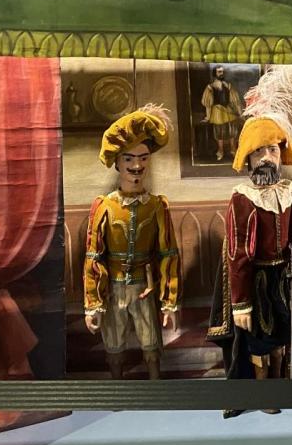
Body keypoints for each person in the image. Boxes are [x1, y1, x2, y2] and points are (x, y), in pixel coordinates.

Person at [207, 66, 292, 414]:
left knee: (282, 333)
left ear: (281, 153)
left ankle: (279, 383)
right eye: (260, 152)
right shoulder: (242, 198)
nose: (267, 158)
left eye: (272, 150)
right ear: (249, 159)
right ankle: (260, 392)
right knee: (257, 337)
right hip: (252, 280)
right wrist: (240, 303)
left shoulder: (289, 191)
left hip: (282, 276)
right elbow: (239, 253)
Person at [83, 106, 180, 380]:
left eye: (143, 158)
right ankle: (118, 390)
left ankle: (155, 388)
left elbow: (168, 253)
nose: (137, 166)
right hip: (113, 290)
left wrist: (169, 301)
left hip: (144, 289)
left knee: (151, 347)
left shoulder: (157, 206)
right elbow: (93, 256)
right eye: (129, 159)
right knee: (114, 348)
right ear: (117, 162)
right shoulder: (104, 207)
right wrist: (93, 303)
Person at [200, 65, 240, 163]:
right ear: (215, 73)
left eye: (222, 72)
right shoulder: (210, 87)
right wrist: (208, 117)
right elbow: (208, 104)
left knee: (232, 130)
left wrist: (239, 112)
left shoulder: (228, 86)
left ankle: (233, 149)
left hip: (228, 111)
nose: (221, 74)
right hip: (217, 112)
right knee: (219, 132)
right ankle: (220, 151)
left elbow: (235, 101)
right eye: (219, 72)